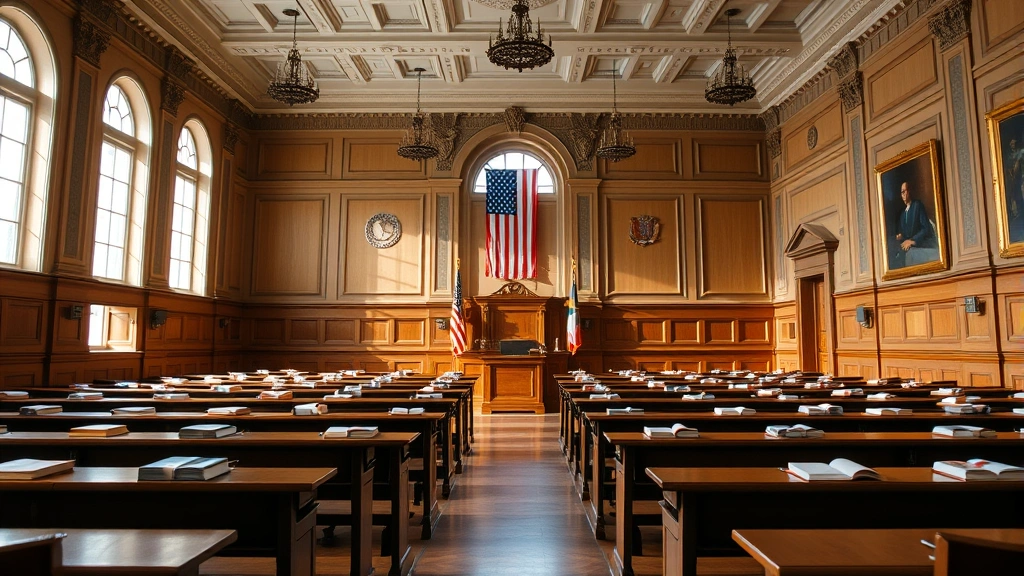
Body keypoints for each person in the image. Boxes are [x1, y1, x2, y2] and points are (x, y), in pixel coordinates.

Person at [890, 181, 934, 269]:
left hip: (920, 243)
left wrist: (913, 241)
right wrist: (901, 236)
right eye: (901, 192)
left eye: (904, 191)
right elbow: (906, 233)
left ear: (909, 191)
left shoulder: (917, 206)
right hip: (907, 246)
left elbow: (925, 229)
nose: (903, 195)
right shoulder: (903, 214)